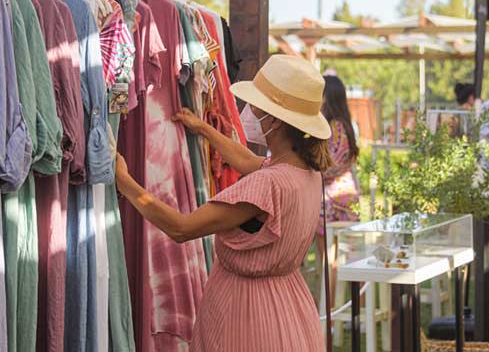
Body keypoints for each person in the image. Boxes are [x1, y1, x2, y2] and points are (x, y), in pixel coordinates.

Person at [115, 55, 333, 352]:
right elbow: (247, 161)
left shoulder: (267, 184)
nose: (251, 112)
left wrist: (125, 182)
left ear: (275, 121)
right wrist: (204, 129)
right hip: (289, 309)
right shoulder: (306, 172)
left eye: (258, 107)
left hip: (247, 318)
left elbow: (181, 228)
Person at [318, 76, 360, 257]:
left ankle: (328, 287)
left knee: (332, 261)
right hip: (340, 201)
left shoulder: (335, 127)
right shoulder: (341, 125)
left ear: (328, 96)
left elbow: (330, 166)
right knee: (338, 261)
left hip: (333, 203)